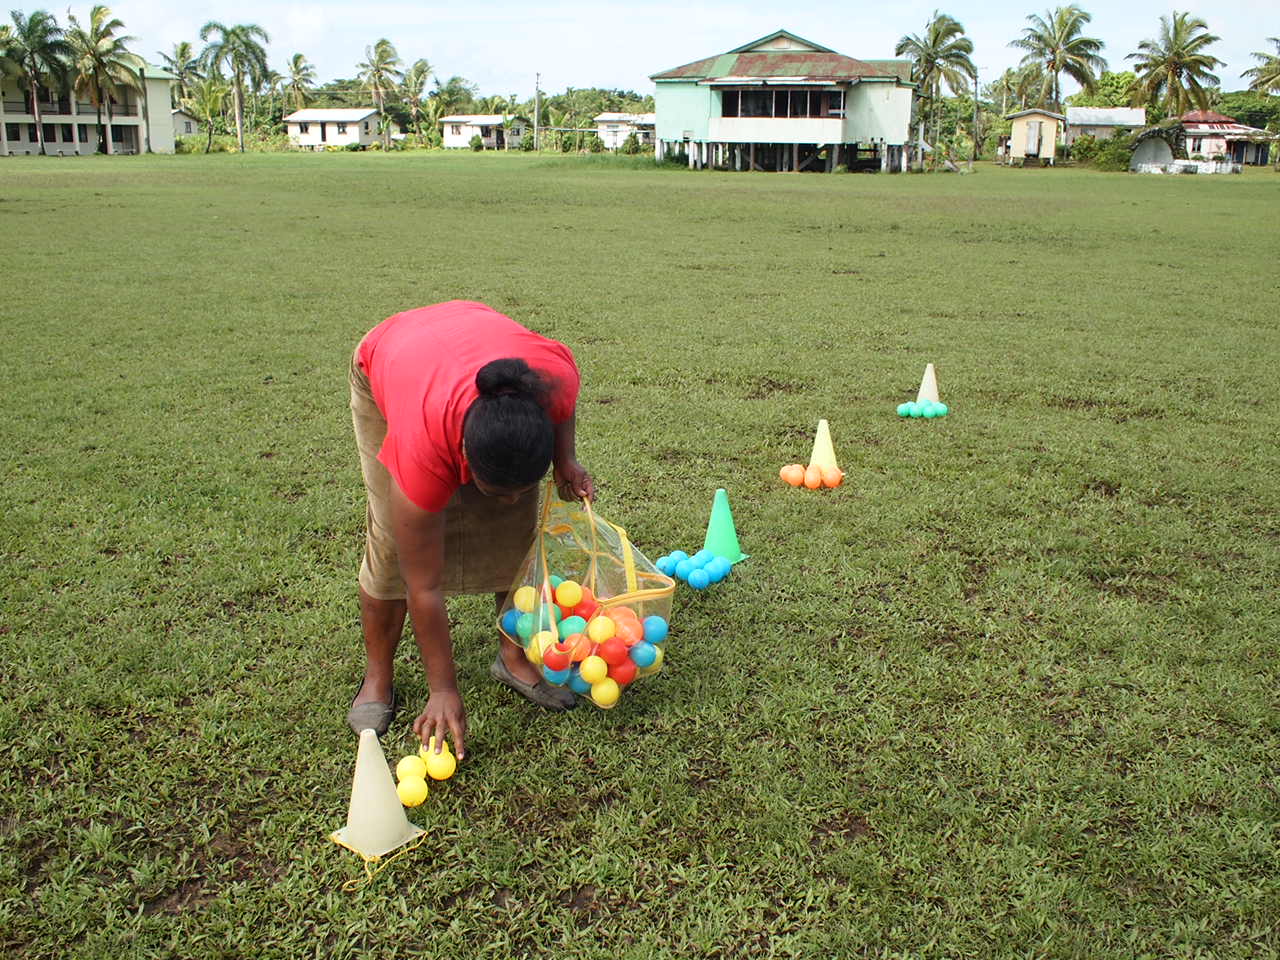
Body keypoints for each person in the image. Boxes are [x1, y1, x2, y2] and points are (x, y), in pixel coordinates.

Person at [346, 300, 595, 761]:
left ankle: (513, 657)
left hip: (467, 347)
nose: (511, 499)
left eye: (523, 487)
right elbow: (424, 586)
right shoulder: (420, 447)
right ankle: (378, 675)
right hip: (397, 359)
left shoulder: (551, 381)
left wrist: (564, 461)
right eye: (495, 488)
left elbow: (561, 410)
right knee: (392, 549)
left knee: (515, 532)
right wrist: (443, 689)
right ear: (462, 456)